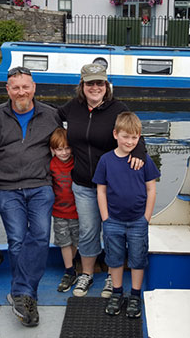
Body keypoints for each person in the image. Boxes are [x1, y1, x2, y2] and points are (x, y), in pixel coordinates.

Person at [0, 66, 61, 327]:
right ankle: (25, 295)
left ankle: (23, 292)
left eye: (26, 86)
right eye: (16, 87)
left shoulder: (51, 116)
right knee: (16, 240)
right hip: (6, 188)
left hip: (40, 186)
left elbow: (64, 146)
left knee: (39, 236)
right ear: (8, 90)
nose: (21, 92)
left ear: (34, 87)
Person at [58, 63, 146, 298]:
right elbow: (50, 119)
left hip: (112, 186)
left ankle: (111, 277)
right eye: (90, 83)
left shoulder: (118, 109)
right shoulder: (72, 108)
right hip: (83, 184)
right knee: (88, 230)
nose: (95, 87)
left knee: (112, 231)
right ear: (82, 86)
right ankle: (87, 273)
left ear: (106, 86)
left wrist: (139, 152)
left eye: (100, 83)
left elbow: (136, 132)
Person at [93, 112, 159, 318]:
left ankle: (135, 295)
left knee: (138, 259)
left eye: (134, 137)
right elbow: (101, 190)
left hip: (138, 220)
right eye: (125, 136)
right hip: (113, 220)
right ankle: (117, 292)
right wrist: (105, 217)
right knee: (114, 258)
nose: (129, 141)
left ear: (139, 137)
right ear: (115, 134)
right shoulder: (105, 160)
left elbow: (151, 190)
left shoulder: (144, 161)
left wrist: (146, 217)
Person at [49, 127, 80, 292]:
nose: (64, 153)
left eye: (67, 148)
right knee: (64, 242)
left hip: (76, 211)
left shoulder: (76, 162)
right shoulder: (51, 165)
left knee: (76, 240)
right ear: (52, 150)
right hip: (59, 212)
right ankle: (69, 270)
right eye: (59, 149)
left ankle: (73, 263)